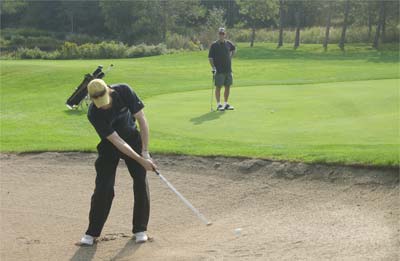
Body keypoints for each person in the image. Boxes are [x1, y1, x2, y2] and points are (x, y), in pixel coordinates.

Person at [77, 79, 157, 246]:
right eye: (98, 103)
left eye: (105, 101)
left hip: (133, 138)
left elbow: (141, 119)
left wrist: (145, 152)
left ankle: (140, 229)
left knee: (140, 181)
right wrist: (141, 160)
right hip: (110, 145)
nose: (104, 106)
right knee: (103, 187)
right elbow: (117, 141)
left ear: (109, 91)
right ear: (91, 100)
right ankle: (92, 233)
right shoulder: (93, 113)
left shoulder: (124, 91)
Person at [208, 27, 236, 111]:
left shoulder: (228, 43)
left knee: (227, 86)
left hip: (228, 69)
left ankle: (226, 104)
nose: (221, 35)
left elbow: (234, 49)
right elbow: (210, 58)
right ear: (218, 34)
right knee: (218, 87)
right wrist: (213, 67)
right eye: (220, 33)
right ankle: (219, 104)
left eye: (223, 33)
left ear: (225, 34)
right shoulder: (214, 45)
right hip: (219, 70)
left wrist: (231, 57)